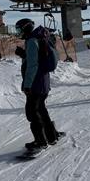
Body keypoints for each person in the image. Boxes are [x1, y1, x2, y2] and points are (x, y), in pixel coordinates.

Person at [15, 18, 63, 151]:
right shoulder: (39, 38)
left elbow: (32, 65)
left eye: (19, 29)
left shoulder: (31, 41)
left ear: (26, 28)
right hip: (43, 81)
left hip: (36, 83)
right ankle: (51, 135)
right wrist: (24, 54)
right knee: (41, 109)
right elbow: (37, 58)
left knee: (32, 112)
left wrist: (27, 85)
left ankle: (40, 141)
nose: (18, 32)